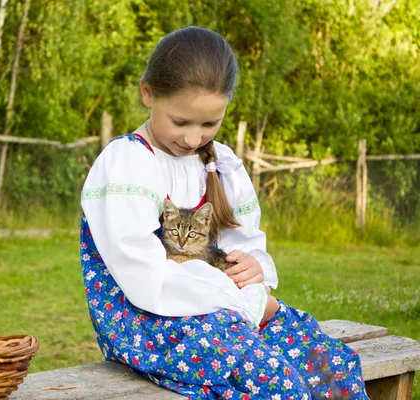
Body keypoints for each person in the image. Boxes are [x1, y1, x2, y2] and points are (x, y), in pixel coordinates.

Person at [80, 26, 368, 399]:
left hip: (224, 307)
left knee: (330, 365)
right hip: (151, 319)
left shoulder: (222, 164)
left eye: (210, 124)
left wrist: (251, 270)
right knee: (274, 381)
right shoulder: (127, 164)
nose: (193, 138)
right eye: (180, 122)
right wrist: (240, 302)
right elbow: (143, 275)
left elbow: (242, 244)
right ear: (147, 93)